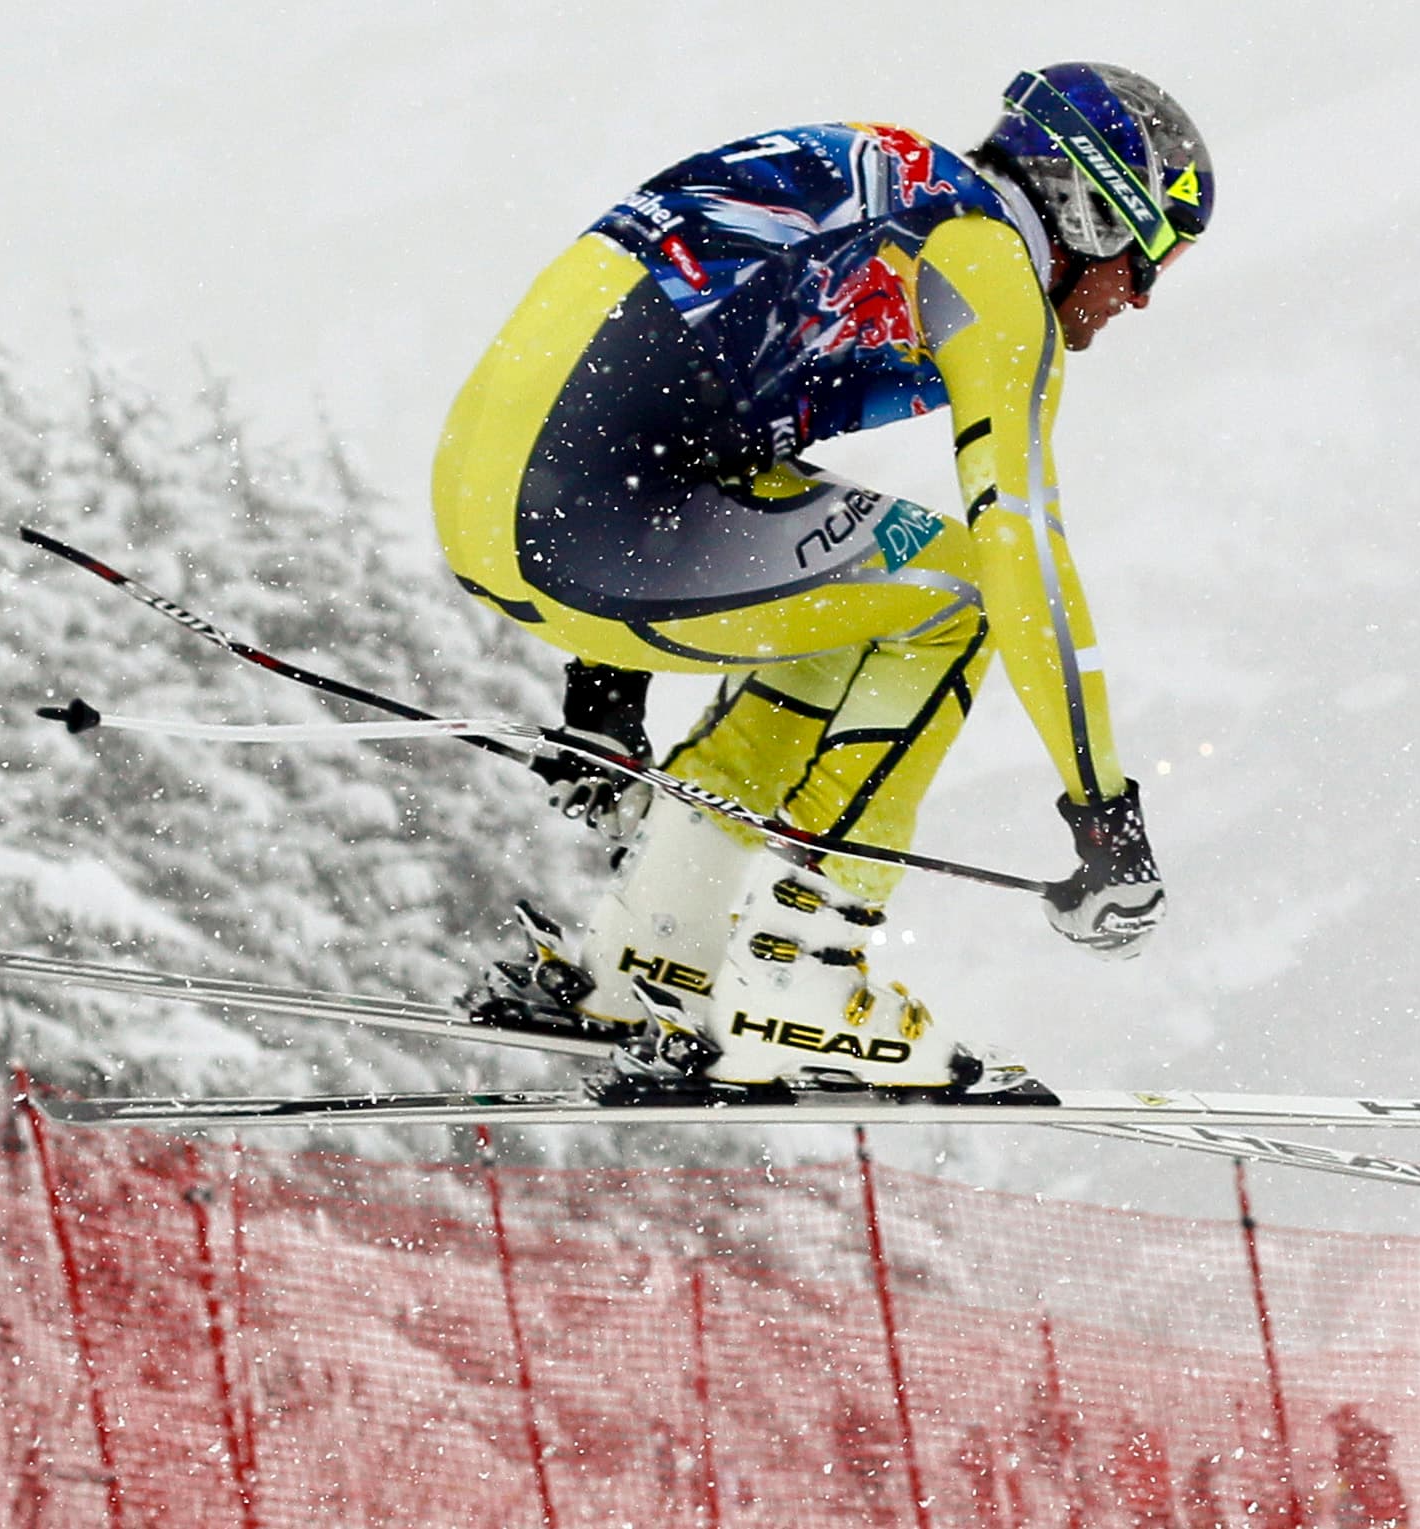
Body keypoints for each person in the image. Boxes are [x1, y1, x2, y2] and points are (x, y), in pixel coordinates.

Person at [433, 63, 1214, 1096]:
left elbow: (644, 364)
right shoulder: (985, 262)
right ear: (1094, 210)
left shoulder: (888, 178)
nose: (1144, 298)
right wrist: (1102, 810)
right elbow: (1021, 546)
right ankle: (805, 966)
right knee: (965, 593)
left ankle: (658, 938)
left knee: (867, 596)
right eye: (1151, 259)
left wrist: (607, 686)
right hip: (590, 516)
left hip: (492, 503)